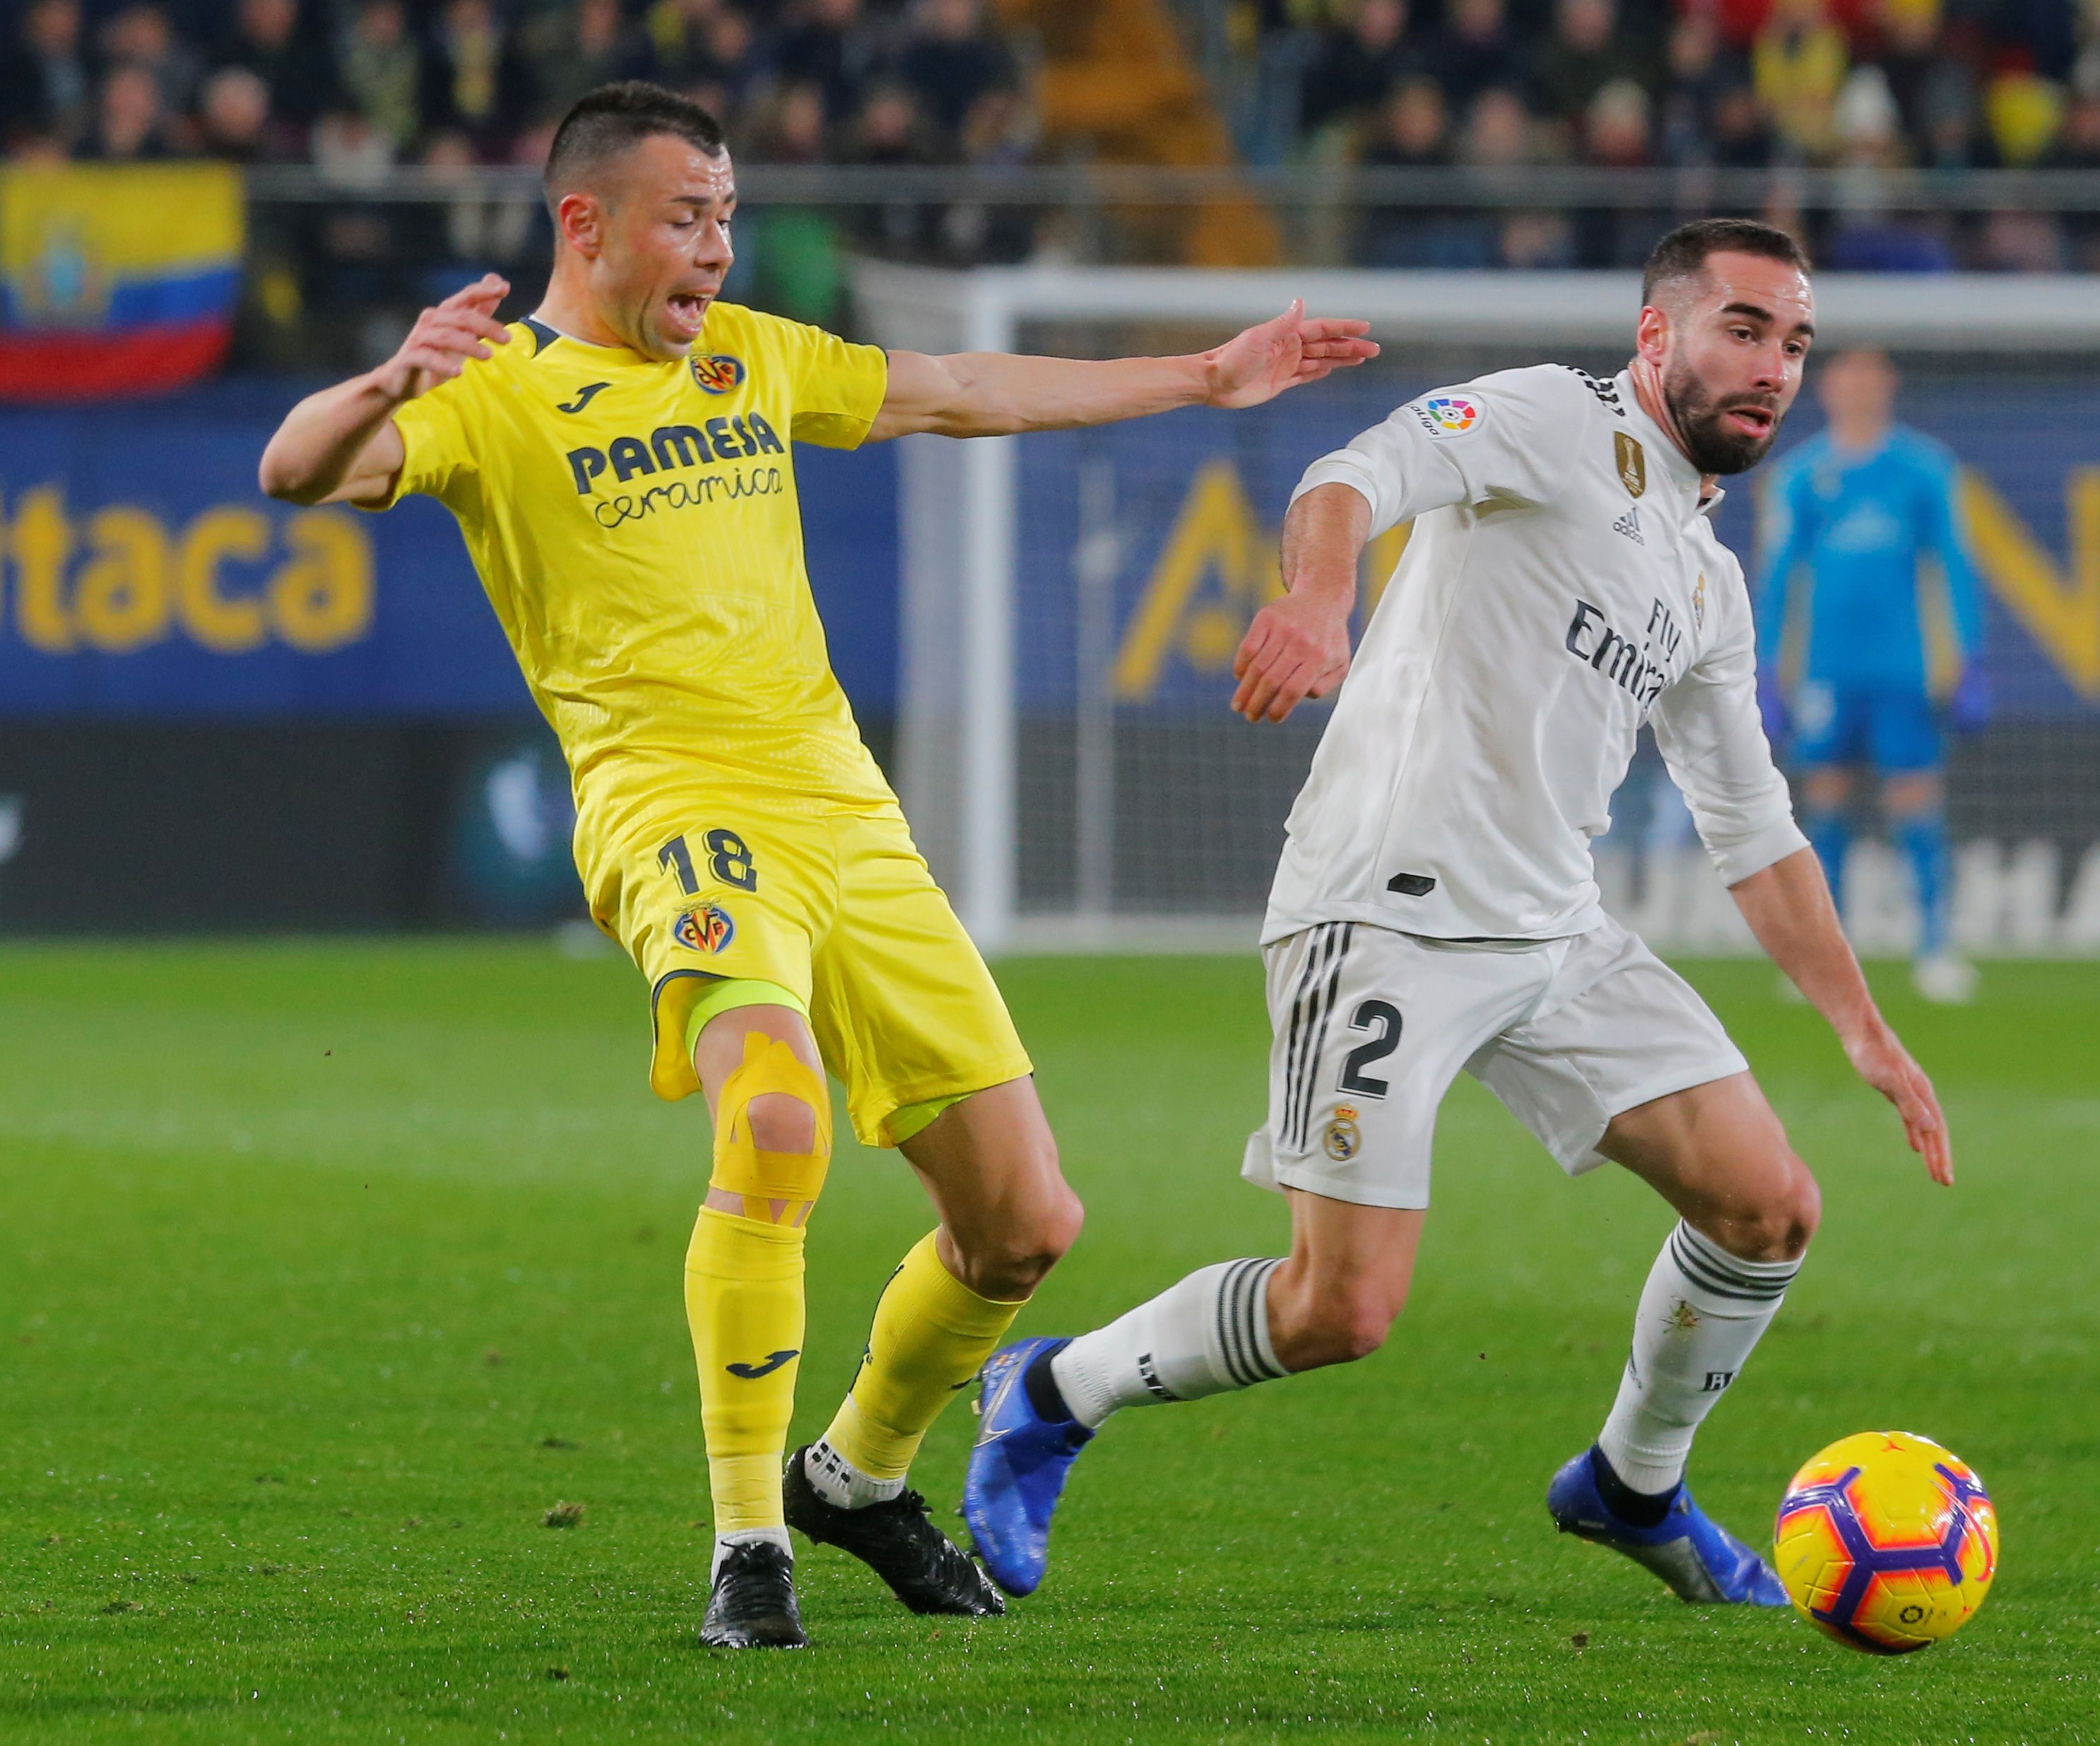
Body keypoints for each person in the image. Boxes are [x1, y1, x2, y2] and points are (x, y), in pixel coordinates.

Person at [256, 81, 1375, 1651]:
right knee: (774, 1120)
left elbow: (961, 385)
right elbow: (297, 474)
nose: (717, 245)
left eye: (724, 215)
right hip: (670, 810)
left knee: (1024, 1224)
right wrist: (388, 374)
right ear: (584, 222)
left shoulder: (747, 356)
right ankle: (747, 1542)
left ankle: (856, 1475)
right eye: (685, 217)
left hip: (848, 813)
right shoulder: (491, 392)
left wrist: (1209, 372)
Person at [963, 218, 1953, 1608]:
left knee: (1768, 1206)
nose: (1774, 366)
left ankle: (1631, 1478)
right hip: (1381, 909)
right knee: (1339, 1308)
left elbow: (1751, 821)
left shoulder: (1707, 574)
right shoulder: (1551, 419)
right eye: (1743, 327)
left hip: (1552, 930)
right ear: (1656, 332)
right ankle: (1052, 1387)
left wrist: (1863, 1028)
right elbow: (1348, 475)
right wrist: (1317, 600)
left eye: (1793, 341)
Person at [1754, 348, 1983, 1003]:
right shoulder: (1801, 475)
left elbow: (1954, 567)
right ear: (1826, 389)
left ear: (1888, 385)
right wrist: (1770, 669)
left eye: (1870, 376)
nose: (1858, 389)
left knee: (1913, 797)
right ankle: (1828, 957)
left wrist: (1967, 660)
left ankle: (1937, 945)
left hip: (1901, 665)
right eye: (1846, 377)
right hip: (1826, 666)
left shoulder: (1923, 469)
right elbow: (1779, 579)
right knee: (1823, 801)